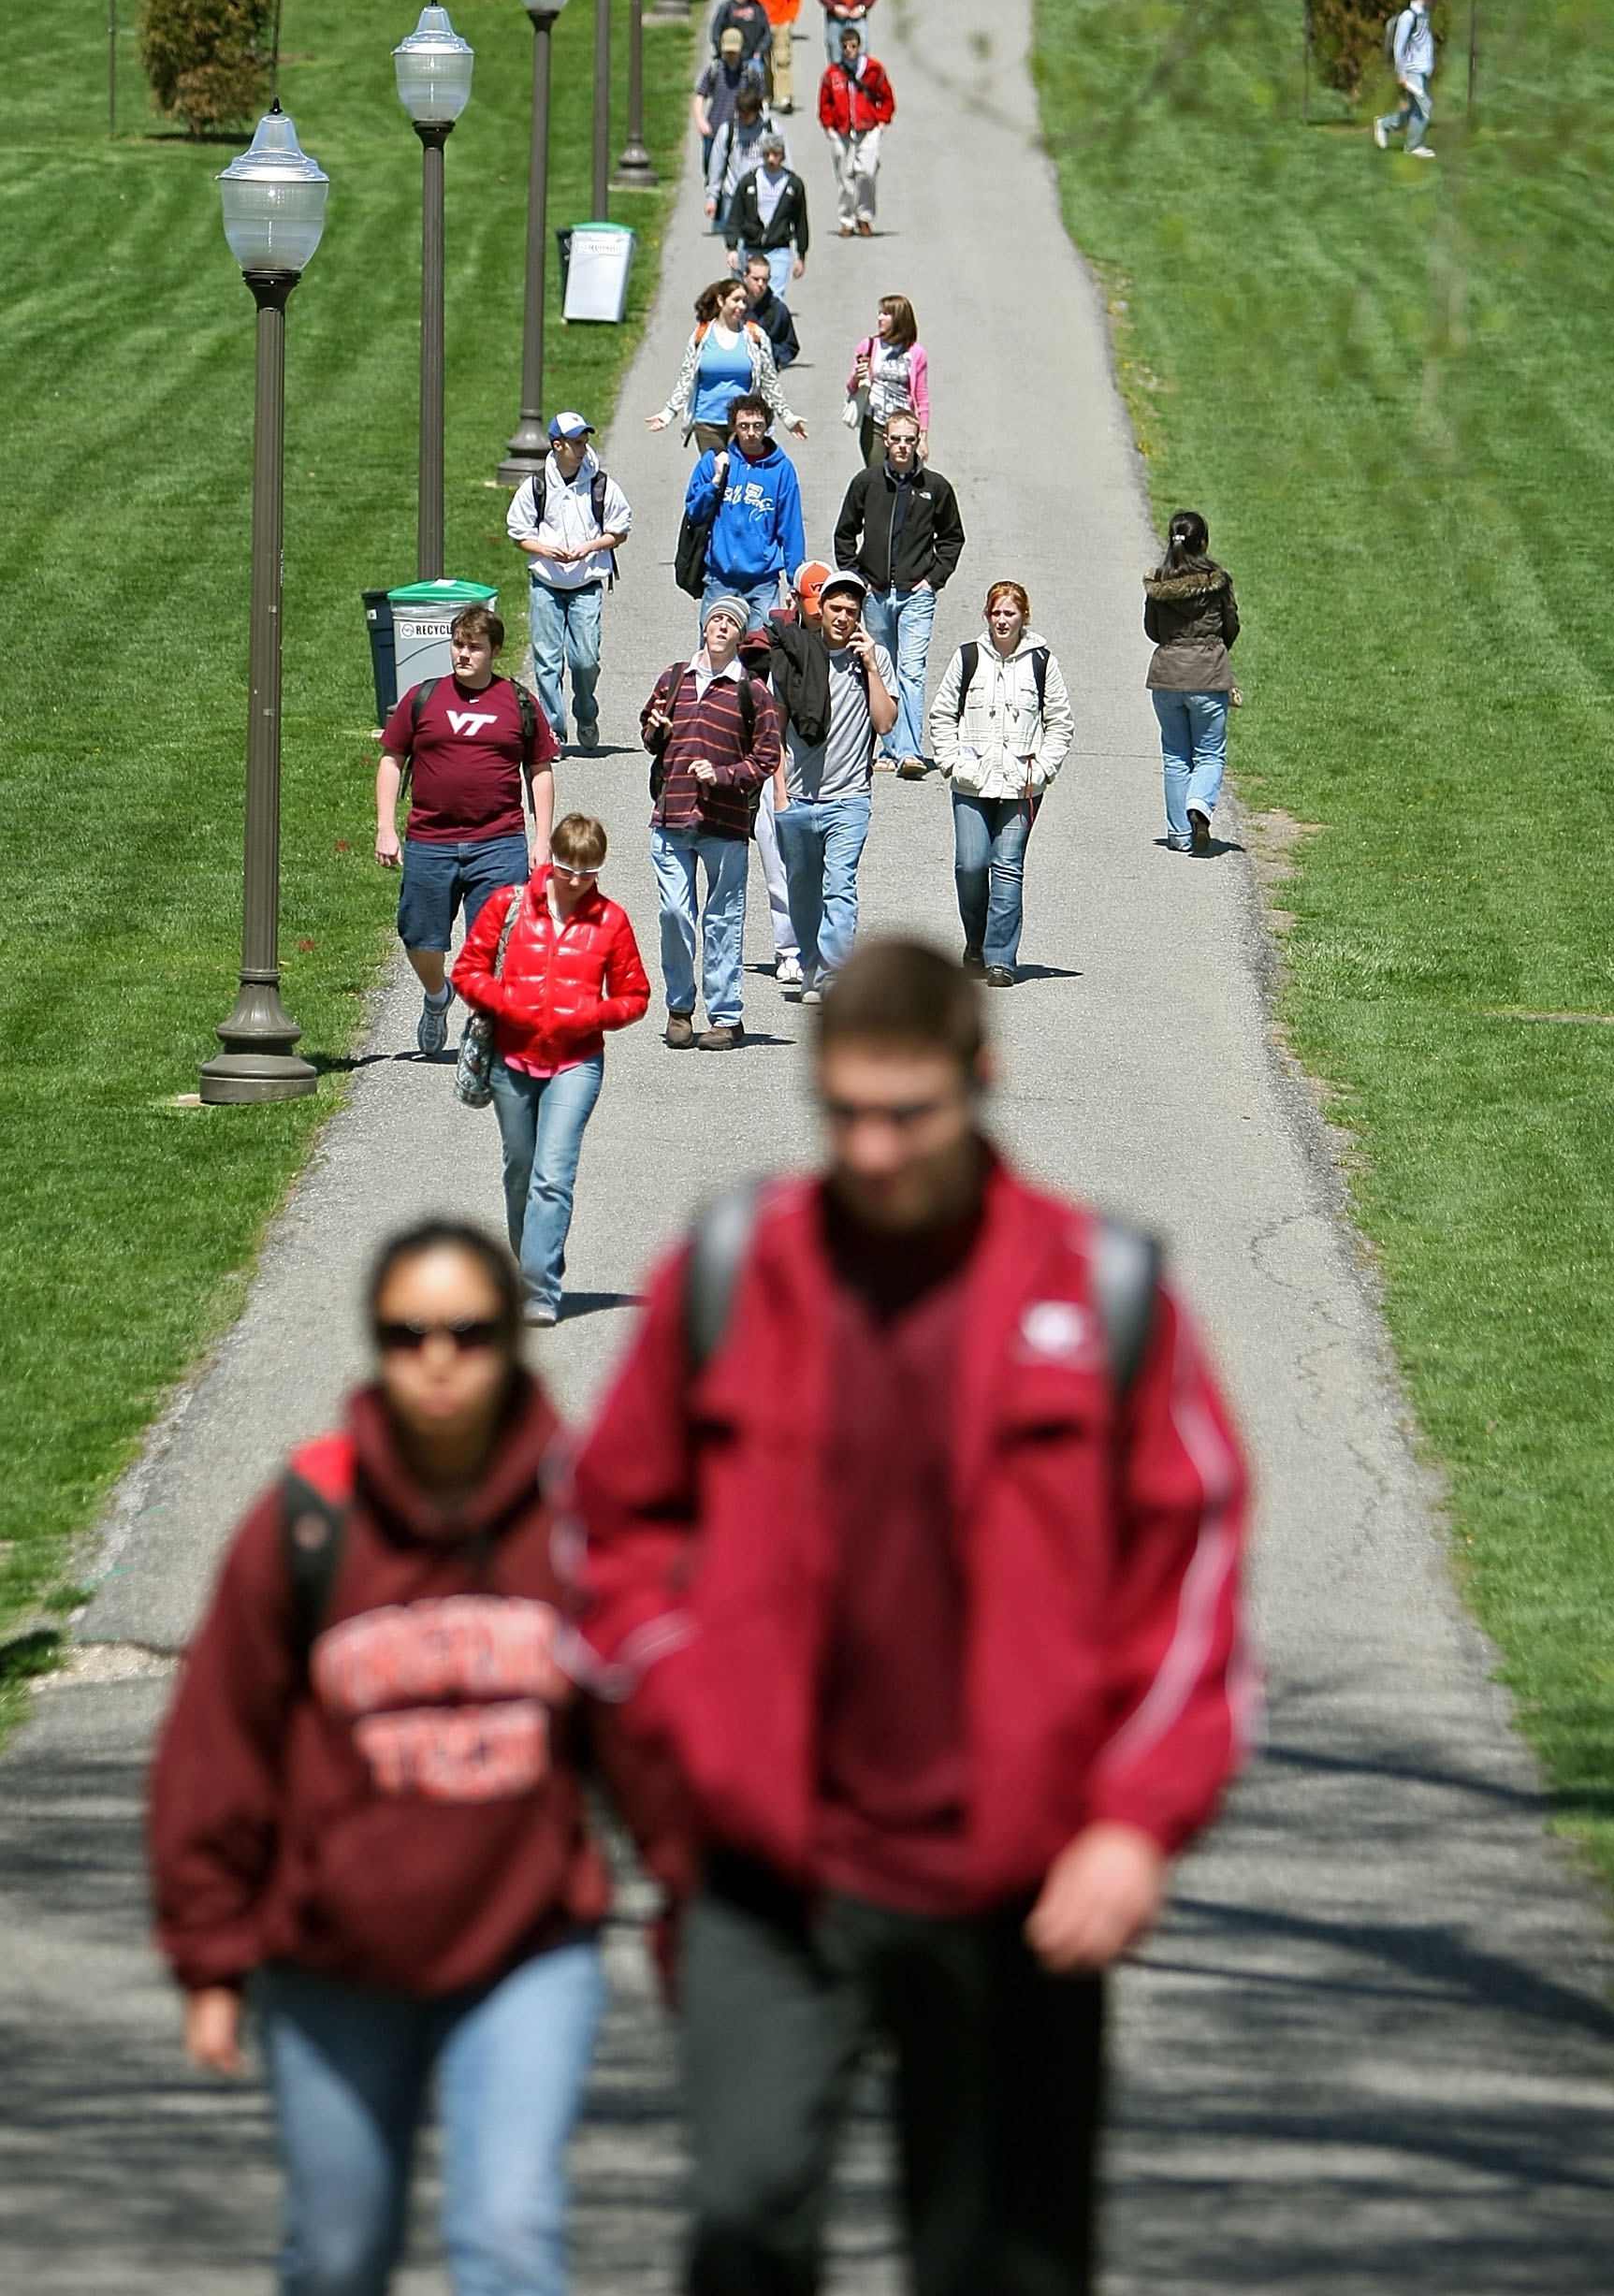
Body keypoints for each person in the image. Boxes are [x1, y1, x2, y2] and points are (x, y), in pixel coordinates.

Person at [566, 937, 1251, 2296]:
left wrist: (1131, 1821)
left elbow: (1188, 1582)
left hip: (1019, 1887)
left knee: (1005, 2265)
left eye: (908, 1116)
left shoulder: (1102, 1295)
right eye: (845, 1117)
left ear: (980, 1079)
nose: (872, 1152)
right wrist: (691, 1719)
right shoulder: (731, 1273)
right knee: (746, 2227)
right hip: (771, 1876)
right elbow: (606, 1536)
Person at [150, 1219, 618, 2296]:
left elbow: (653, 1735)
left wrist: (708, 1902)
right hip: (335, 1962)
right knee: (341, 2252)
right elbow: (218, 1746)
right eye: (407, 1335)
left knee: (509, 2236)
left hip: (527, 1947)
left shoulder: (575, 1513)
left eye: (468, 1331)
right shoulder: (311, 1520)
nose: (439, 1359)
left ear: (513, 1342)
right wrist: (210, 1952)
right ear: (374, 1345)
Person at [454, 813, 649, 1327]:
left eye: (590, 872)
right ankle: (532, 1265)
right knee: (520, 1172)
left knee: (552, 1176)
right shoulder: (508, 906)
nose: (578, 881)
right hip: (511, 1060)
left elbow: (636, 996)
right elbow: (467, 971)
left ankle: (540, 1289)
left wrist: (592, 1014)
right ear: (551, 863)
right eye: (568, 870)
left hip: (576, 1063)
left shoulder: (612, 921)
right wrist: (506, 1002)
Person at [375, 603, 557, 1056]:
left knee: (497, 945)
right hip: (429, 841)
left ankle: (483, 1025)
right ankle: (437, 996)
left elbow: (539, 769)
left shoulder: (518, 702)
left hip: (497, 842)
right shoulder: (424, 697)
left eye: (474, 647)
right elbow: (391, 759)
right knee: (419, 937)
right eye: (458, 645)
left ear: (494, 651)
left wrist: (541, 840)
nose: (463, 654)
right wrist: (385, 827)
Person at [642, 597, 781, 1051]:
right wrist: (657, 728)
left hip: (726, 820)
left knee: (723, 919)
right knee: (675, 914)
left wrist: (723, 775)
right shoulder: (675, 677)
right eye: (715, 619)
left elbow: (766, 758)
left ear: (740, 637)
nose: (721, 627)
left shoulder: (752, 691)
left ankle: (725, 1016)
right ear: (704, 628)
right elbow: (649, 732)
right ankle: (679, 1010)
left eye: (730, 623)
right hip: (672, 814)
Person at [930, 581, 1075, 986]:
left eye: (1010, 613)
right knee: (971, 864)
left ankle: (1001, 958)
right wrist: (953, 763)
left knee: (1008, 865)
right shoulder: (968, 657)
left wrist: (1043, 767)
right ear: (987, 616)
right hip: (971, 782)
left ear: (1024, 617)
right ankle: (975, 942)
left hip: (1022, 785)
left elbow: (1061, 722)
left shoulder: (1042, 662)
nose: (1002, 620)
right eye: (996, 613)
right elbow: (941, 715)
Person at [776, 570, 895, 1005]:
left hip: (849, 799)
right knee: (802, 892)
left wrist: (871, 667)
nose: (844, 617)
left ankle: (833, 976)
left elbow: (885, 723)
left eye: (852, 610)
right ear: (820, 610)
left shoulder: (872, 660)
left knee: (839, 887)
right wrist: (779, 791)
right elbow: (775, 727)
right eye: (836, 608)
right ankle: (810, 963)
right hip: (799, 797)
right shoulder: (795, 656)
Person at [834, 410, 964, 778]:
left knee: (911, 670)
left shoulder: (935, 487)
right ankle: (889, 750)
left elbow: (952, 537)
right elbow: (844, 533)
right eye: (896, 439)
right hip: (875, 595)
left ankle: (909, 750)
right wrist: (857, 577)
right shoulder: (867, 482)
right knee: (880, 668)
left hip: (916, 595)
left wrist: (933, 579)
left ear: (918, 440)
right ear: (886, 441)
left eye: (910, 439)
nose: (903, 446)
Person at [504, 409, 631, 753]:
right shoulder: (537, 486)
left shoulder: (601, 484)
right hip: (546, 582)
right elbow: (518, 533)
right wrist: (545, 550)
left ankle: (586, 713)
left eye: (585, 441)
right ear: (557, 445)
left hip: (587, 582)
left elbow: (620, 529)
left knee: (585, 660)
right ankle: (553, 731)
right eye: (576, 442)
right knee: (548, 661)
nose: (583, 448)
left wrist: (590, 546)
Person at [1143, 509, 1240, 853]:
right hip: (1208, 675)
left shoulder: (1158, 583)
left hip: (1167, 676)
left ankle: (1179, 835)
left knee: (1175, 755)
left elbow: (1153, 631)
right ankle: (1199, 804)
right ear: (1203, 542)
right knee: (1210, 753)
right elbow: (1231, 626)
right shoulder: (1218, 581)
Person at [683, 390, 807, 629]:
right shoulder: (714, 461)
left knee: (762, 655)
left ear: (767, 426)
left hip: (762, 583)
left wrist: (795, 583)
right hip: (720, 579)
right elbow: (694, 514)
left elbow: (791, 531)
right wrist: (715, 482)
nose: (751, 433)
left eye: (757, 425)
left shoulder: (782, 470)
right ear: (733, 427)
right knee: (715, 654)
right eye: (744, 425)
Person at [648, 275, 801, 450]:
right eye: (736, 300)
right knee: (716, 472)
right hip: (707, 423)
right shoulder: (701, 336)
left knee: (738, 474)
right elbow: (686, 378)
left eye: (744, 301)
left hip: (744, 424)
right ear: (721, 301)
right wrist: (668, 413)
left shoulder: (755, 336)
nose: (741, 306)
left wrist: (787, 417)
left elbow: (770, 380)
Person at [741, 626, 802, 988]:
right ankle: (789, 951)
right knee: (778, 868)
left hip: (826, 779)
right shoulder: (765, 658)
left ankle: (821, 950)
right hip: (771, 779)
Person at [819, 23, 895, 239]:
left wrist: (882, 121)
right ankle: (847, 220)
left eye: (852, 46)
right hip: (842, 131)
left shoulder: (873, 69)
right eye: (845, 46)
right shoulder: (832, 74)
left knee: (867, 172)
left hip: (868, 128)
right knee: (846, 177)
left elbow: (887, 97)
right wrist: (829, 127)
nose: (849, 50)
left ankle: (865, 216)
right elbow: (825, 103)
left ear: (859, 46)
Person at [848, 292, 929, 465]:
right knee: (878, 478)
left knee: (906, 480)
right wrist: (857, 378)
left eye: (886, 314)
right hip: (875, 424)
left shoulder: (916, 353)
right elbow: (851, 387)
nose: (880, 318)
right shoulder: (869, 345)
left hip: (905, 428)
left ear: (899, 319)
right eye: (879, 313)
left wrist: (922, 436)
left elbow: (921, 397)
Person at [724, 130, 808, 298]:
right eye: (767, 154)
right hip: (751, 247)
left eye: (776, 154)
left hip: (779, 249)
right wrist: (732, 247)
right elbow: (735, 216)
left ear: (782, 156)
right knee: (750, 296)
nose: (771, 159)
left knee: (775, 296)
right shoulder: (749, 182)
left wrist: (801, 254)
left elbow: (800, 221)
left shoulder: (793, 185)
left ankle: (770, 324)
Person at [1374, 0, 1441, 158]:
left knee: (1415, 111)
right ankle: (1413, 146)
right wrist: (1401, 73)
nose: (1436, 3)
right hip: (1411, 71)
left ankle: (1384, 124)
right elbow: (1399, 46)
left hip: (1421, 71)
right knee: (1425, 107)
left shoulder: (1425, 15)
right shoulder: (1408, 16)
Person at [693, 29, 751, 201]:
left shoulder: (749, 72)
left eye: (734, 52)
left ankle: (727, 210)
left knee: (735, 174)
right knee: (710, 169)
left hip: (740, 130)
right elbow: (700, 95)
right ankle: (714, 197)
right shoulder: (715, 70)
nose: (731, 56)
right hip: (714, 128)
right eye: (728, 52)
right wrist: (700, 120)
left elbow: (760, 99)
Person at [749, 0, 802, 113]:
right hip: (763, 25)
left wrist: (789, 17)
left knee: (782, 59)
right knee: (764, 62)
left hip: (781, 23)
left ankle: (785, 96)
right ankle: (767, 96)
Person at [705, 80, 769, 233]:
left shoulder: (771, 130)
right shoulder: (728, 131)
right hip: (734, 197)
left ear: (757, 111)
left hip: (764, 196)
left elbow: (785, 163)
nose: (743, 118)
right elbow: (716, 166)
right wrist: (712, 198)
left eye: (747, 115)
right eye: (740, 114)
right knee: (736, 249)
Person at [738, 246, 799, 370]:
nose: (760, 284)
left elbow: (791, 346)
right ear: (745, 276)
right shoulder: (733, 307)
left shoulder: (779, 310)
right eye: (756, 279)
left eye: (765, 280)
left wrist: (773, 355)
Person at [709, 0, 771, 80]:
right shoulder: (727, 7)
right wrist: (722, 51)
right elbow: (715, 32)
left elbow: (766, 32)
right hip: (730, 58)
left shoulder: (757, 7)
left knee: (753, 92)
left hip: (752, 58)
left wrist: (759, 51)